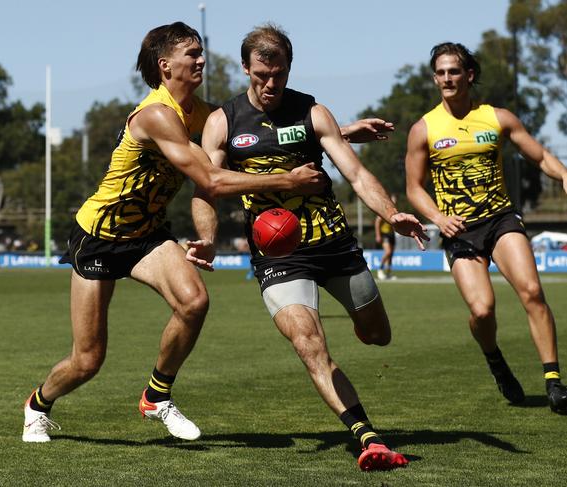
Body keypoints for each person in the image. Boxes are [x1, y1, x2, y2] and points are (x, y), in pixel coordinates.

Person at [21, 21, 329, 443]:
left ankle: (156, 395)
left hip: (147, 235)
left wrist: (340, 134)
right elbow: (213, 179)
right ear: (166, 65)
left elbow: (251, 143)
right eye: (193, 54)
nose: (202, 59)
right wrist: (286, 181)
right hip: (100, 236)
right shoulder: (156, 116)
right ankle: (37, 405)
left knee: (194, 301)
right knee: (88, 360)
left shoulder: (202, 113)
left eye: (201, 52)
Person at [195, 23, 428, 471]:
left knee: (378, 335)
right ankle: (366, 435)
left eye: (277, 74)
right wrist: (207, 238)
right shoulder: (222, 122)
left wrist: (390, 213)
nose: (269, 84)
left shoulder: (313, 112)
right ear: (246, 68)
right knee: (308, 343)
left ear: (288, 68)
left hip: (334, 242)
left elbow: (356, 174)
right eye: (261, 74)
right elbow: (208, 186)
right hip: (279, 255)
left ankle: (360, 323)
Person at [405, 42, 567, 414]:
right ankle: (495, 360)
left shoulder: (498, 118)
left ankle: (554, 382)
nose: (447, 78)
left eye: (454, 71)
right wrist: (438, 217)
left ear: (469, 75)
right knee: (482, 311)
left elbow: (539, 155)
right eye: (441, 72)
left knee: (531, 291)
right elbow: (414, 188)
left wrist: (563, 175)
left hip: (501, 219)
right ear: (435, 78)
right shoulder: (424, 129)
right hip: (459, 231)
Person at [374, 193, 398, 280]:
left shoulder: (396, 211)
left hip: (392, 234)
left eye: (395, 200)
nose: (394, 202)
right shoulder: (385, 210)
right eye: (392, 200)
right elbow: (377, 222)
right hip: (384, 234)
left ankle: (388, 274)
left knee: (391, 254)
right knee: (388, 252)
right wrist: (378, 235)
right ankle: (380, 269)